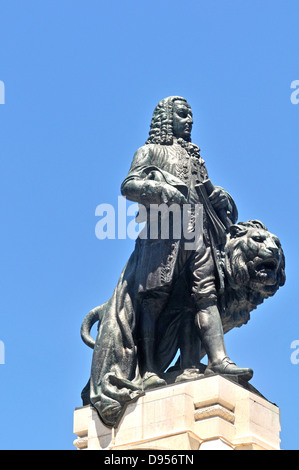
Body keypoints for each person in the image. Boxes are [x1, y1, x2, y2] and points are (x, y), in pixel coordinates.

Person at [86, 96, 252, 427]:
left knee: (204, 297)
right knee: (153, 301)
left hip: (197, 233)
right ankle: (148, 372)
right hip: (161, 233)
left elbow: (209, 193)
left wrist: (221, 197)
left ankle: (218, 360)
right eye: (182, 114)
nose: (189, 119)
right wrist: (161, 187)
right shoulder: (150, 152)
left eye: (191, 114)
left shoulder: (195, 158)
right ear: (166, 117)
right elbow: (129, 185)